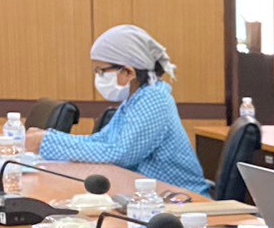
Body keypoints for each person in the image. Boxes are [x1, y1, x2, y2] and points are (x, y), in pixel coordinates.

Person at [25, 25, 210, 196]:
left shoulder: (154, 99)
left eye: (101, 71)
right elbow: (100, 140)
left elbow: (119, 155)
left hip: (182, 199)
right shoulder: (135, 99)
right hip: (149, 196)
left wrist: (46, 141)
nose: (98, 77)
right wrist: (48, 137)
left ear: (128, 72)